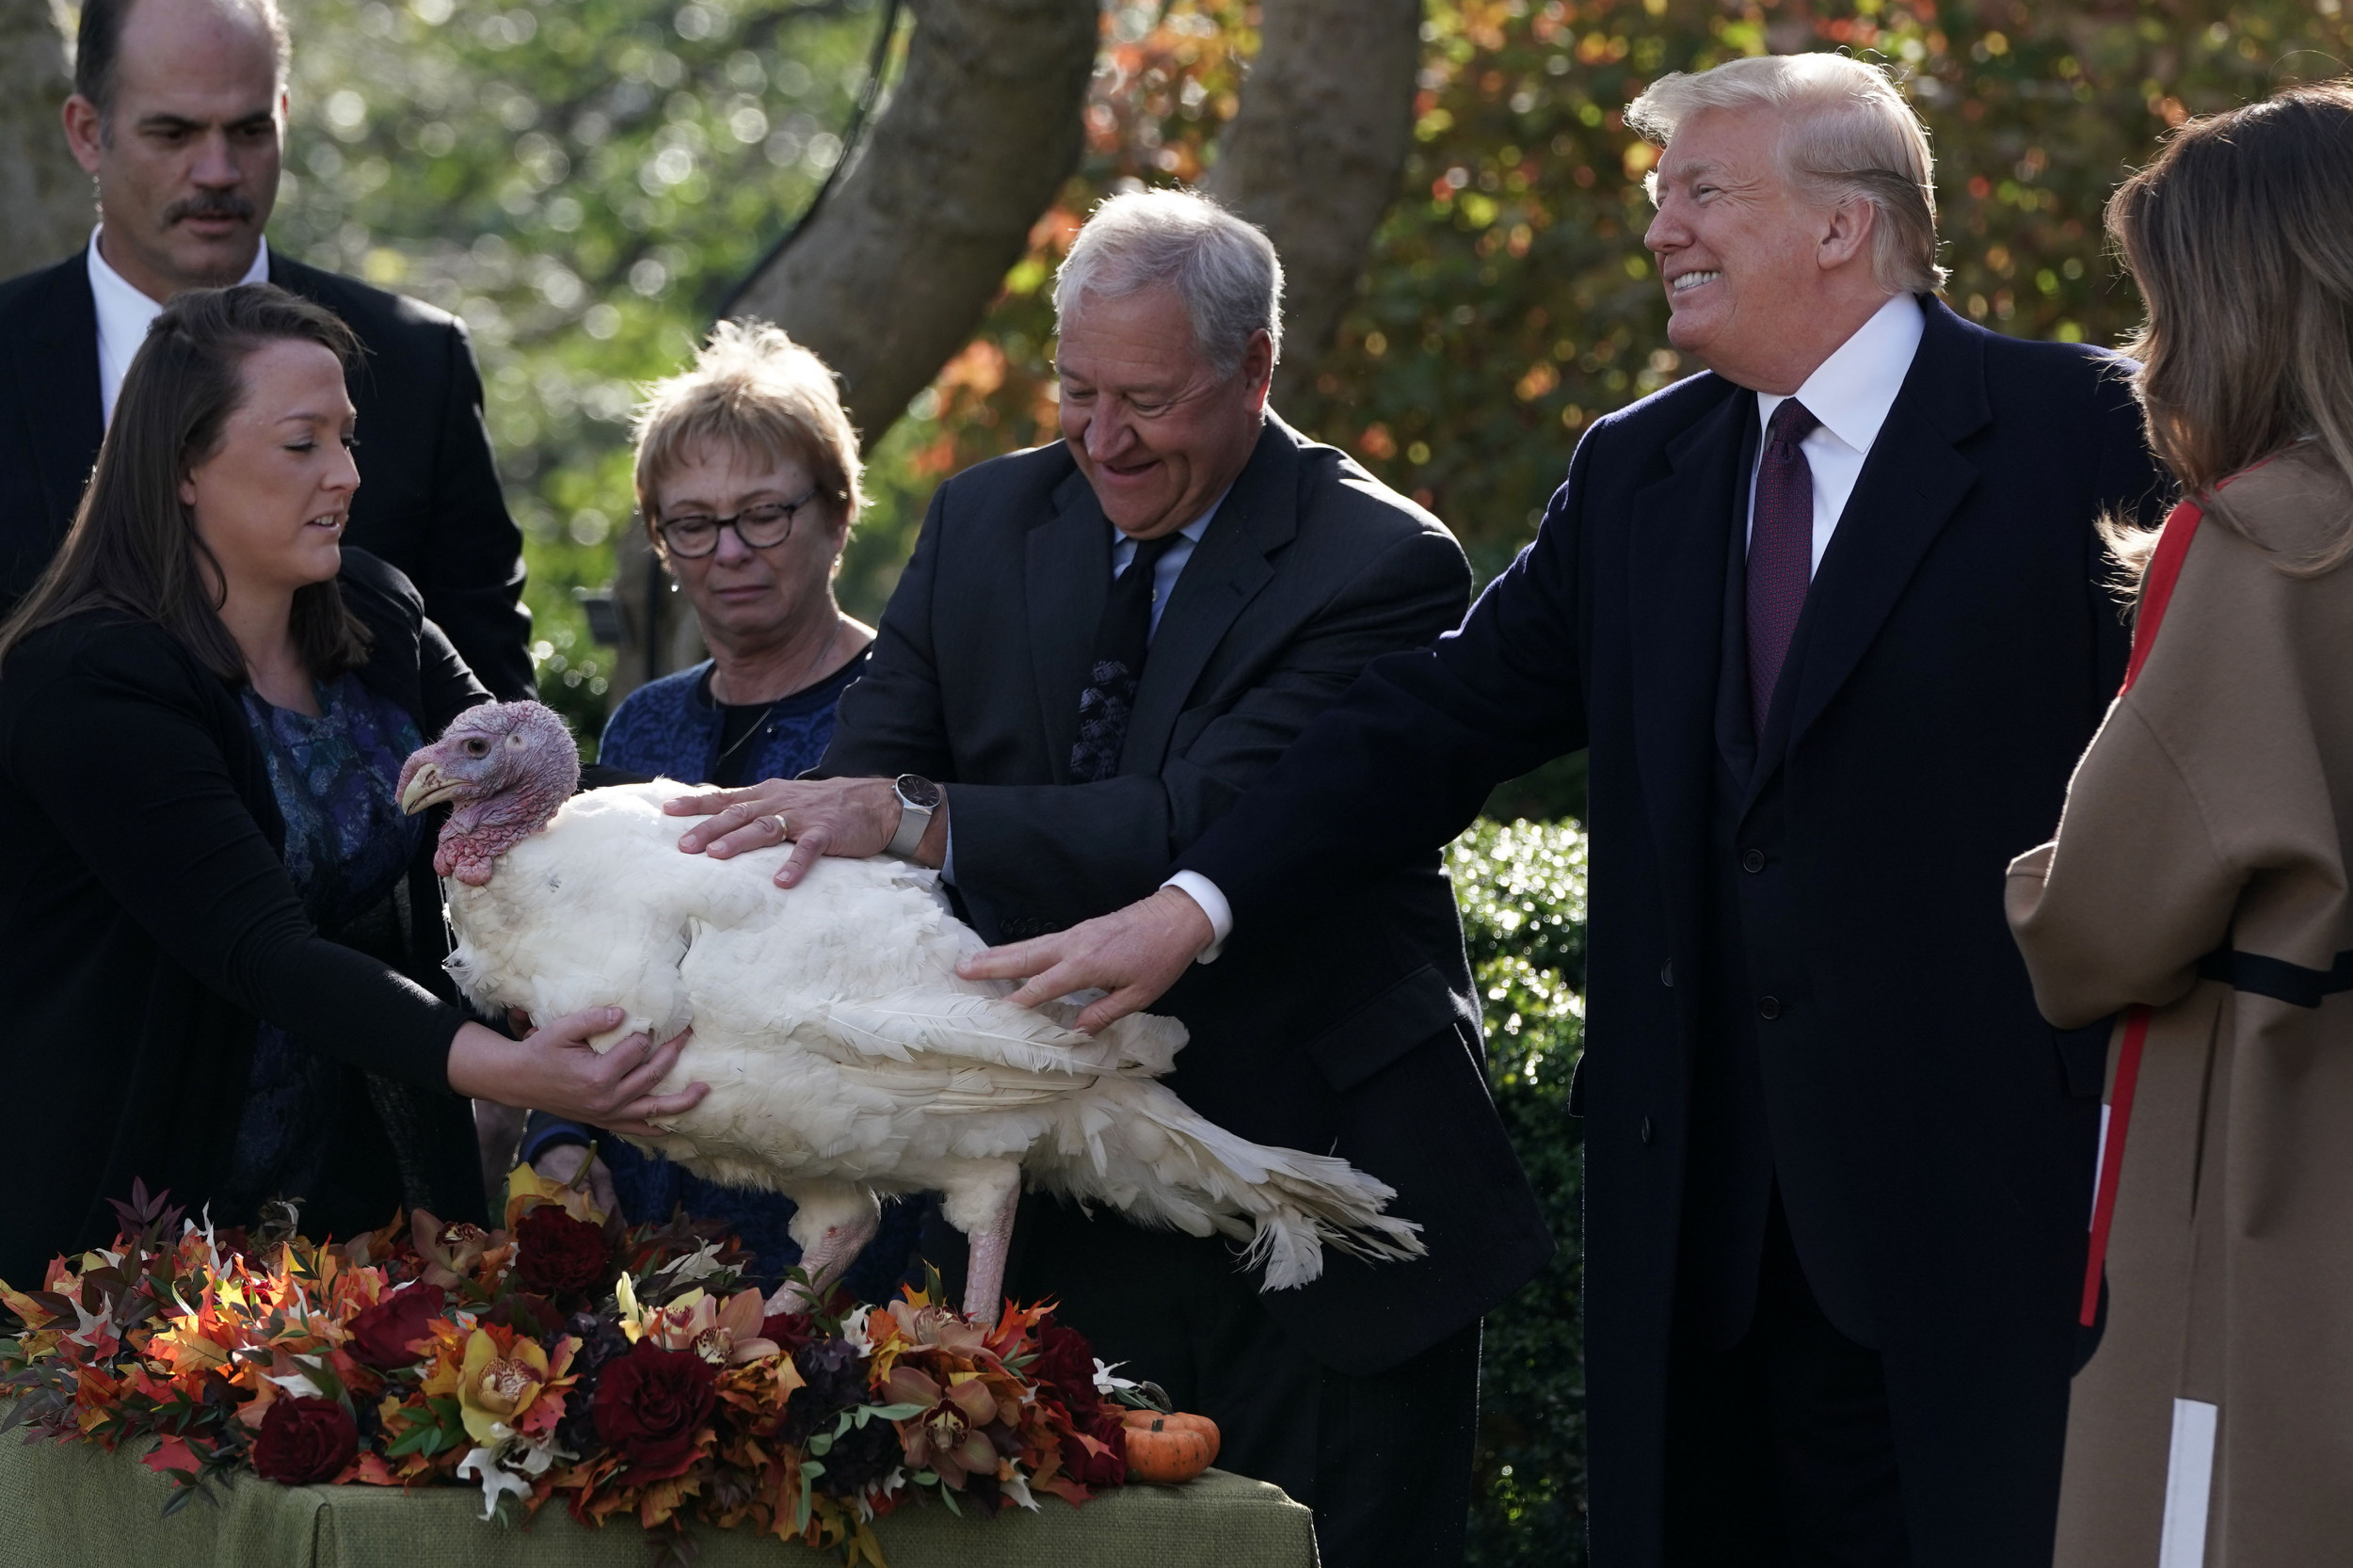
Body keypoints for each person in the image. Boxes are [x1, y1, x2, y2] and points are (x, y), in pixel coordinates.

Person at [963, 56, 2169, 1568]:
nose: (1661, 229)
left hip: (1990, 1209)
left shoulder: (2087, 433)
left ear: (1844, 226)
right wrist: (1190, 905)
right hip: (1706, 1235)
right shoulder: (1640, 471)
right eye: (1659, 197)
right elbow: (1432, 722)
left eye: (1701, 192)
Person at [664, 189, 1552, 1567]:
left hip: (1313, 1194)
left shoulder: (1377, 561)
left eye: (1144, 398)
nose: (1100, 435)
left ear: (1255, 370)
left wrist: (921, 821)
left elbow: (1201, 819)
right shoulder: (980, 519)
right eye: (1074, 389)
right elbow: (864, 787)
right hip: (1060, 1211)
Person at [0, 284, 703, 1285]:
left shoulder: (374, 609)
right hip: (132, 1222)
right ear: (182, 465)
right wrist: (510, 1070)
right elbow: (261, 947)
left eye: (349, 438)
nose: (345, 474)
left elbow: (537, 786)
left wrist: (752, 812)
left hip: (364, 1207)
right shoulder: (86, 679)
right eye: (303, 444)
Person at [2004, 82, 2353, 1568]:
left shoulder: (2269, 539)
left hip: (2281, 1134)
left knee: (2226, 1506)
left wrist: (2041, 881)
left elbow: (2103, 923)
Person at [520, 321, 921, 1300]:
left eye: (764, 515)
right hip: (645, 1233)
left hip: (849, 1233)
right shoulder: (646, 725)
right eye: (691, 523)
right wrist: (562, 1133)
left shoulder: (911, 711)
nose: (729, 551)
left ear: (838, 511)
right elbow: (581, 958)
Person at [0, 0, 534, 699]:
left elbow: (498, 724)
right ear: (87, 132)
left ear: (283, 116)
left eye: (250, 131)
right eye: (175, 133)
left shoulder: (415, 364)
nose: (218, 171)